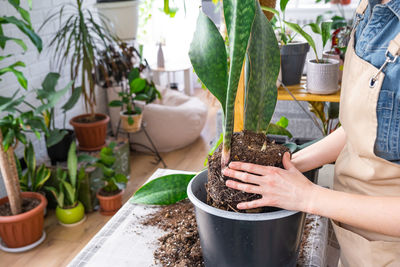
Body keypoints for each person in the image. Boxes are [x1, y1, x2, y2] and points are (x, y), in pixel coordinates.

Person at [222, 0, 400, 265]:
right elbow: (359, 131)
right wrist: (285, 166)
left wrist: (308, 196)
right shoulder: (370, 7)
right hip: (355, 240)